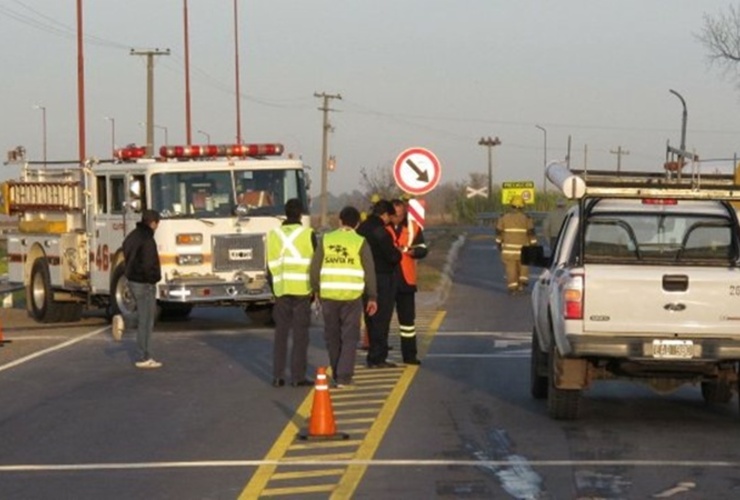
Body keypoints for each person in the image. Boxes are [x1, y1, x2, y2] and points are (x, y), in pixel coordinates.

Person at [310, 206, 378, 387]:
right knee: (350, 337)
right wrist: (372, 296)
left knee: (332, 336)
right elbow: (369, 271)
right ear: (357, 224)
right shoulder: (360, 242)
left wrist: (316, 290)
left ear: (339, 221)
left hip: (329, 296)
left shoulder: (326, 239)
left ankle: (336, 371)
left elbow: (315, 268)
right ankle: (344, 376)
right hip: (352, 297)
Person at [266, 198, 316, 388]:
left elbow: (269, 266)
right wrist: (315, 289)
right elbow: (315, 265)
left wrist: (275, 289)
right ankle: (298, 377)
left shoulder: (273, 235)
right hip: (302, 290)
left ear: (285, 213)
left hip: (281, 290)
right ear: (301, 214)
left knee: (281, 334)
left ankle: (278, 376)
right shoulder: (308, 234)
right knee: (300, 335)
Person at [357, 199, 402, 368]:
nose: (390, 220)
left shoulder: (361, 229)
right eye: (389, 216)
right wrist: (398, 254)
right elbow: (391, 255)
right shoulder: (380, 231)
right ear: (384, 215)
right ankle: (378, 356)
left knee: (370, 316)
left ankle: (373, 354)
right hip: (382, 277)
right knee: (382, 317)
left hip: (364, 278)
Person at [388, 199, 428, 365]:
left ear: (404, 213)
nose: (397, 218)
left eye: (400, 214)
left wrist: (414, 252)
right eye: (394, 215)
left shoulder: (413, 227)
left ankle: (409, 355)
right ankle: (380, 355)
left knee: (407, 322)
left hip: (406, 279)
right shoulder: (383, 227)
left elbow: (423, 249)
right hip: (387, 278)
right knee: (383, 320)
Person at [122, 209, 163, 368]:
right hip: (145, 283)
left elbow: (125, 247)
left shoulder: (133, 236)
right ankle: (144, 356)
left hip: (132, 280)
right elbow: (148, 264)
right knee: (147, 320)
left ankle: (125, 321)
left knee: (143, 315)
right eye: (157, 223)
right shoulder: (148, 240)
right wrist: (153, 278)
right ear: (153, 223)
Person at [496, 195, 538, 295]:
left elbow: (499, 232)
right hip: (523, 248)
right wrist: (533, 244)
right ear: (522, 206)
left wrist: (498, 243)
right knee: (523, 265)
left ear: (511, 206)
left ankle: (512, 287)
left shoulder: (504, 218)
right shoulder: (526, 218)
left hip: (508, 249)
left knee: (511, 268)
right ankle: (522, 282)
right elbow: (531, 233)